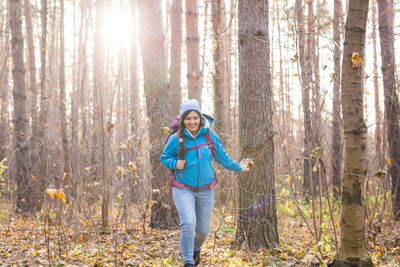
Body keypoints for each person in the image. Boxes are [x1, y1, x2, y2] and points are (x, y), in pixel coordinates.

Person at [160, 99, 251, 267]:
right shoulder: (176, 139)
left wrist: (238, 167)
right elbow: (164, 157)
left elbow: (222, 157)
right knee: (188, 223)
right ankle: (188, 262)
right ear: (183, 121)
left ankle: (195, 249)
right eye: (188, 119)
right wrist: (174, 164)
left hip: (206, 189)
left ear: (200, 118)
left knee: (202, 230)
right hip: (183, 188)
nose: (192, 122)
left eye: (195, 117)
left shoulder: (210, 136)